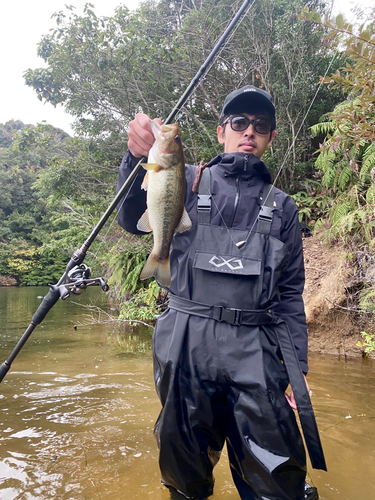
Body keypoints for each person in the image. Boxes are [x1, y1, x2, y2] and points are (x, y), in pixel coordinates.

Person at [117, 85, 325, 500]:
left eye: (260, 125)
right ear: (221, 131)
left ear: (269, 138)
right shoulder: (184, 177)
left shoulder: (283, 207)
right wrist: (135, 157)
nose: (249, 131)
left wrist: (295, 368)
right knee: (183, 470)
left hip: (258, 350)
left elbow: (288, 293)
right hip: (185, 342)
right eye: (239, 122)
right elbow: (129, 217)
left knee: (276, 478)